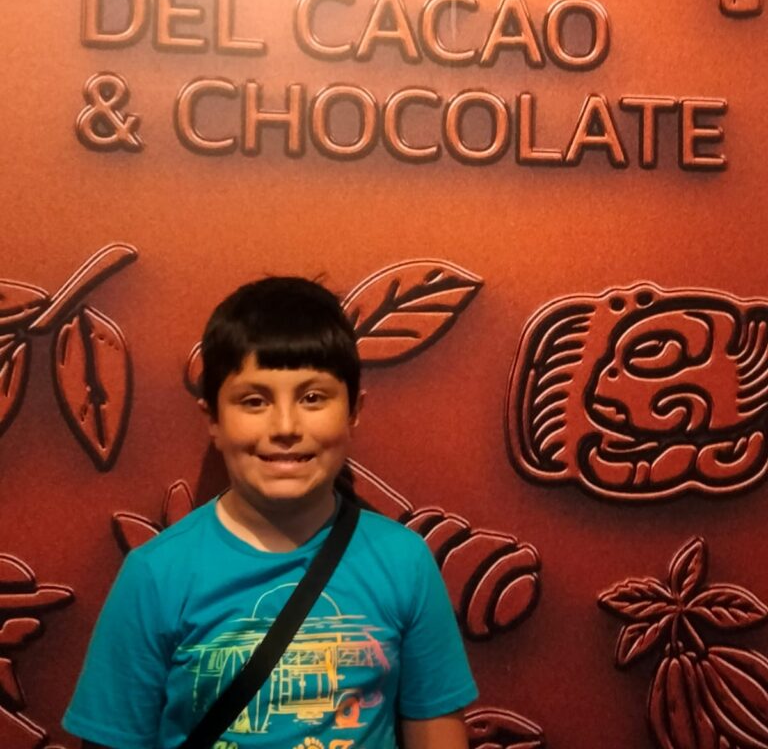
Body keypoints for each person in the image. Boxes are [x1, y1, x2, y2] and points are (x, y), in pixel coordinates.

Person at [64, 276, 477, 749]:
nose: (285, 427)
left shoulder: (404, 562)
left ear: (353, 412)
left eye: (313, 398)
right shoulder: (156, 575)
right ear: (213, 420)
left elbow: (436, 731)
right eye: (254, 401)